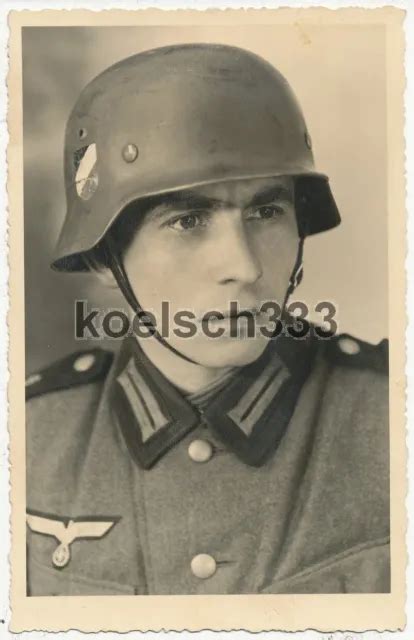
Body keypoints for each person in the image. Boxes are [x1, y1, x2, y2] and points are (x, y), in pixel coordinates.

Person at [25, 43, 389, 596]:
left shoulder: (391, 419)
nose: (243, 266)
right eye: (189, 220)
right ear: (104, 258)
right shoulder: (29, 439)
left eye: (266, 212)